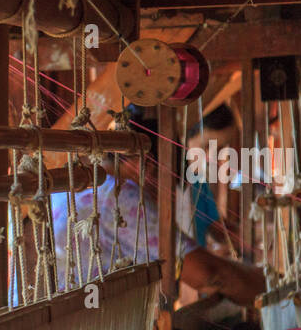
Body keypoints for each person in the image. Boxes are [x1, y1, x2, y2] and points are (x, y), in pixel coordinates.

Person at [50, 108, 265, 307]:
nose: (160, 199)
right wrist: (269, 285)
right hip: (73, 318)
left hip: (59, 315)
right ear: (149, 166)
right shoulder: (122, 196)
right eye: (165, 186)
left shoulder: (82, 182)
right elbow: (208, 274)